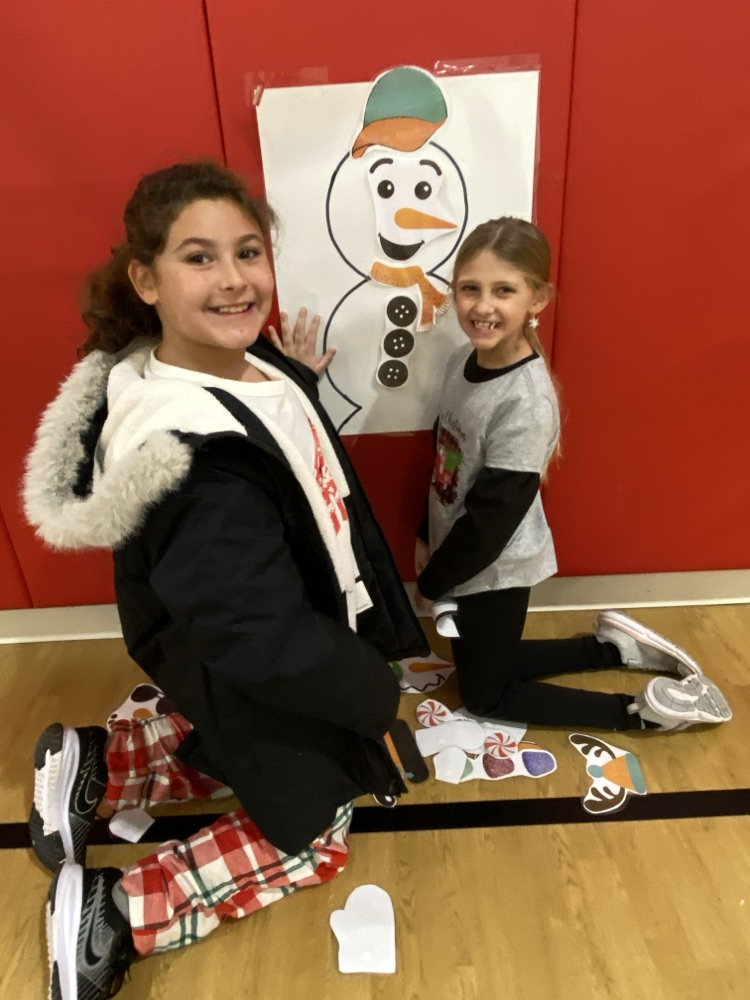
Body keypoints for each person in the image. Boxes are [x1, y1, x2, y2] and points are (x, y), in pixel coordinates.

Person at [23, 160, 428, 1000]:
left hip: (248, 643)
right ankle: (115, 914)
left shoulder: (231, 363)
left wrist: (299, 376)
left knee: (238, 739)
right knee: (315, 830)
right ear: (147, 280)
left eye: (247, 252)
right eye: (199, 258)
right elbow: (256, 635)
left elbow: (277, 457)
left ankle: (98, 764)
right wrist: (370, 693)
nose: (235, 279)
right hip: (260, 651)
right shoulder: (197, 467)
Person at [414, 217, 731, 733]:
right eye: (470, 288)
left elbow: (493, 520)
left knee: (486, 697)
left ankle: (640, 714)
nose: (482, 306)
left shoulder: (525, 400)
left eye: (503, 290)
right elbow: (444, 455)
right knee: (480, 663)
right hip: (462, 553)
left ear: (536, 299)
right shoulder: (460, 361)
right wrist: (425, 533)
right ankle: (610, 648)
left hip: (496, 565)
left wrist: (432, 581)